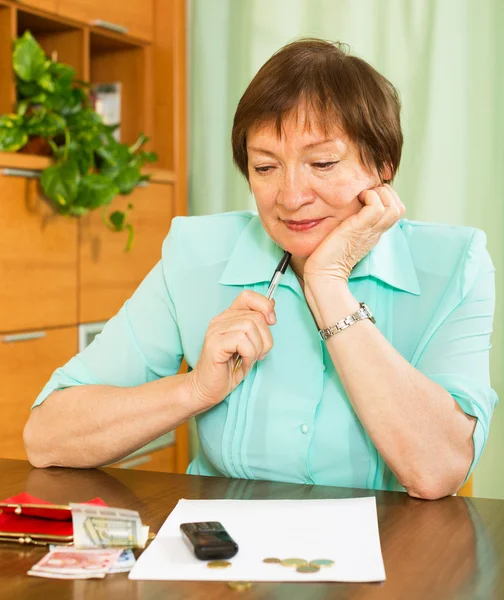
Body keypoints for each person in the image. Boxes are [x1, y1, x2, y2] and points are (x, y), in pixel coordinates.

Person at [24, 39, 497, 500]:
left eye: (323, 163)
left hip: (392, 560)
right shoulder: (197, 254)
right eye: (266, 168)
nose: (291, 197)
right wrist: (195, 389)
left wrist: (328, 283)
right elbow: (47, 437)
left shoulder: (454, 265)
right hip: (223, 562)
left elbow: (438, 472)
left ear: (383, 165)